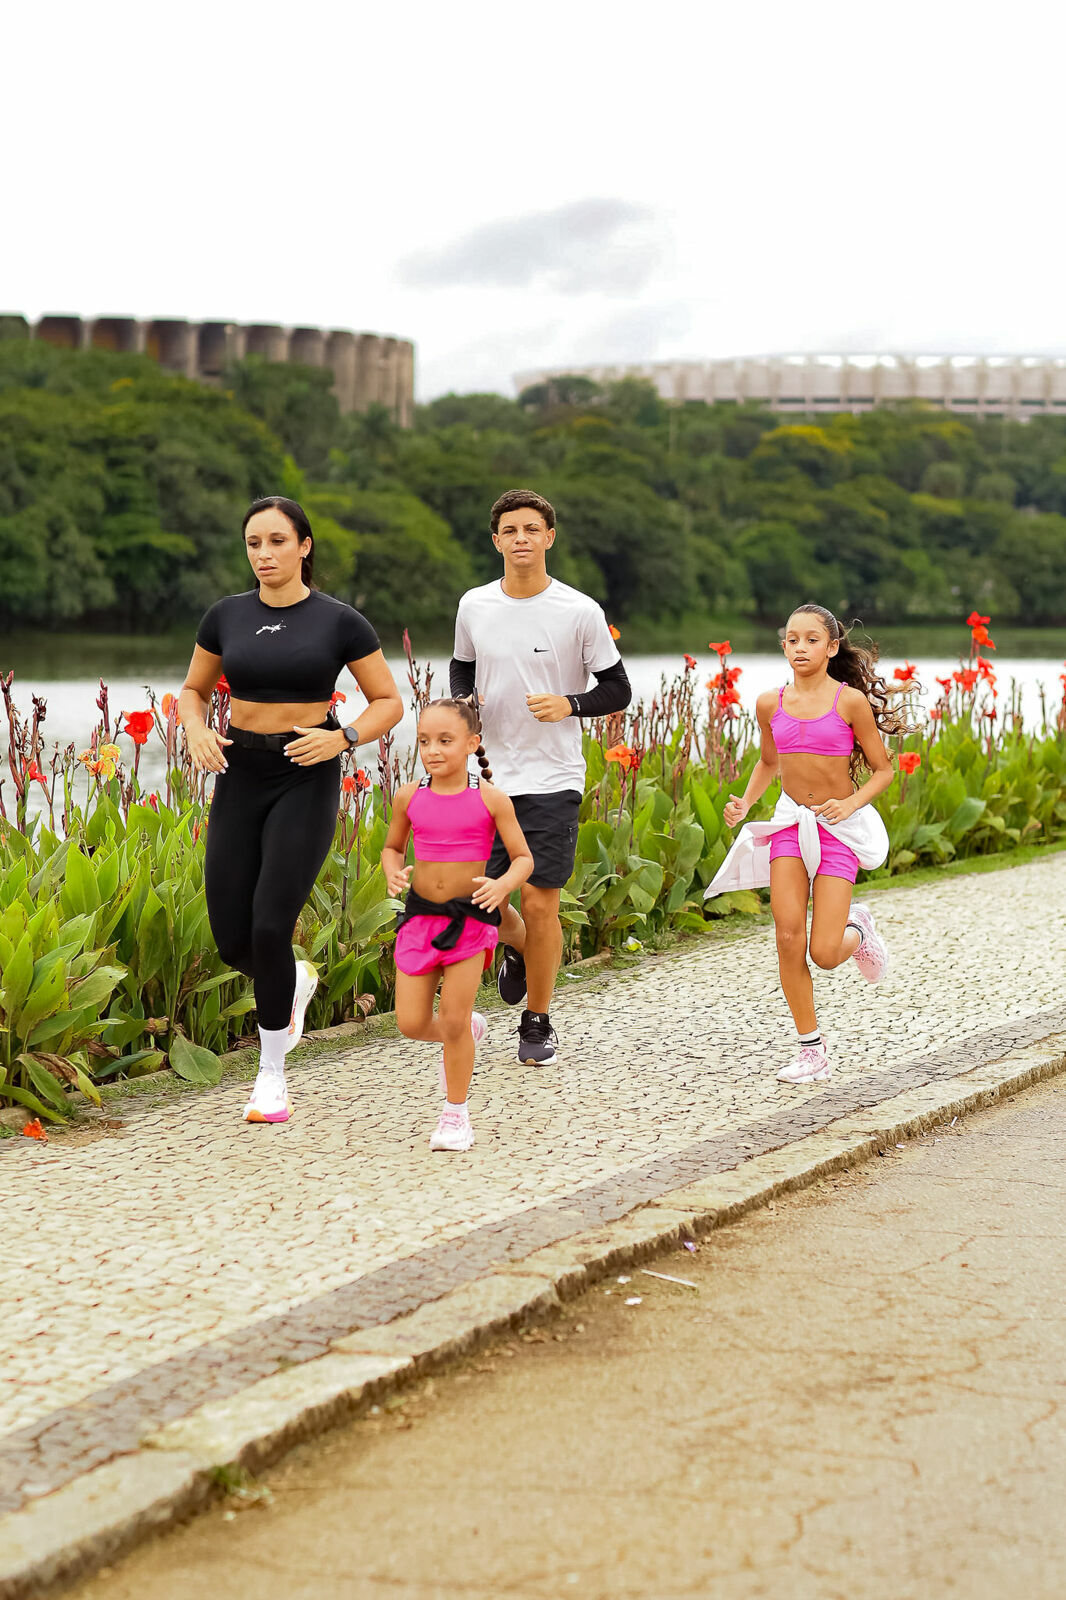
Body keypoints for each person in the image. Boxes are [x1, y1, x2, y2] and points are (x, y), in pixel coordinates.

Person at [178, 495, 403, 1124]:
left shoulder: (340, 622)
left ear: (303, 546)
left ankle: (271, 1074)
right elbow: (194, 690)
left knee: (271, 924)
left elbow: (388, 701)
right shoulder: (225, 616)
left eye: (277, 541)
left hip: (306, 772)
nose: (265, 554)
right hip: (240, 770)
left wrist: (343, 738)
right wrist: (196, 728)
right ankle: (293, 980)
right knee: (232, 937)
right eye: (254, 543)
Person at [450, 489, 631, 1066]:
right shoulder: (474, 604)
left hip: (553, 777)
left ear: (549, 538)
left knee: (541, 901)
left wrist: (570, 705)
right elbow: (461, 666)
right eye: (511, 530)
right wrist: (463, 706)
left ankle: (537, 1021)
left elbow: (618, 688)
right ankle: (517, 949)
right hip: (486, 777)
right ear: (496, 540)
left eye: (533, 528)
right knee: (470, 891)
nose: (522, 538)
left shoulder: (578, 610)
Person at [705, 604, 903, 1085]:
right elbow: (768, 763)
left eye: (811, 639)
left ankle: (859, 930)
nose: (800, 647)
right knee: (788, 935)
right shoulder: (770, 703)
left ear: (832, 647)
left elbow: (883, 770)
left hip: (835, 829)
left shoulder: (850, 702)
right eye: (792, 639)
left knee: (825, 952)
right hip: (789, 825)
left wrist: (850, 803)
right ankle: (811, 1049)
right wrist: (746, 803)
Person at [382, 699, 533, 1151]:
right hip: (421, 919)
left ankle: (456, 1115)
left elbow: (524, 859)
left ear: (472, 744)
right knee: (410, 1022)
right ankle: (466, 1029)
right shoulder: (410, 796)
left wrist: (503, 884)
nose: (433, 750)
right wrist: (393, 868)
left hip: (471, 923)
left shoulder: (490, 798)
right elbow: (393, 847)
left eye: (445, 741)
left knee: (452, 1021)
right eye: (425, 740)